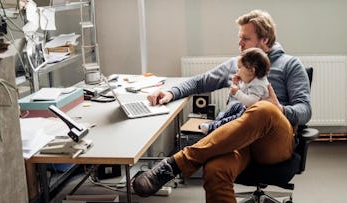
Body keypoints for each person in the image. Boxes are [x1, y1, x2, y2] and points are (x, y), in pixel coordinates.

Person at [132, 9, 311, 203]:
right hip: (236, 137)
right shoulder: (238, 64)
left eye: (246, 38)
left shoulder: (290, 65)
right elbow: (198, 82)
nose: (239, 43)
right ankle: (174, 166)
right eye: (239, 37)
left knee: (263, 109)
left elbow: (305, 110)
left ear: (265, 41)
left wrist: (281, 109)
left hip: (273, 141)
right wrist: (170, 92)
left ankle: (177, 163)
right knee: (215, 170)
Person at [199, 47, 270, 135]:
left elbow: (252, 102)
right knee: (235, 107)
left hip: (256, 114)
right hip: (247, 108)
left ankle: (212, 128)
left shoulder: (259, 84)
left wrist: (237, 92)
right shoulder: (252, 79)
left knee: (235, 119)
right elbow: (245, 92)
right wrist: (237, 84)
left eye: (240, 68)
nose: (237, 71)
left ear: (251, 70)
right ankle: (216, 121)